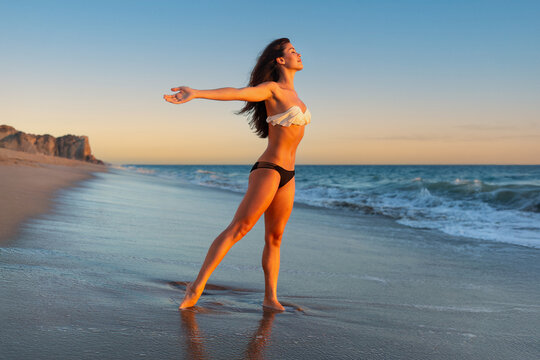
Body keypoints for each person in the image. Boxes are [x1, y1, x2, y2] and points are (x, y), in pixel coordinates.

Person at [163, 38, 310, 311]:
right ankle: (196, 286)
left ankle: (270, 298)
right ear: (280, 60)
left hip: (289, 174)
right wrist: (196, 92)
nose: (298, 54)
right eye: (292, 51)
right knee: (239, 228)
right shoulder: (271, 89)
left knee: (275, 238)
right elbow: (238, 92)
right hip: (269, 170)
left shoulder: (297, 97)